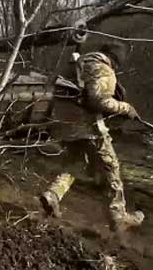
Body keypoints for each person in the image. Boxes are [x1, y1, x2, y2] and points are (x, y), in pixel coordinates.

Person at [40, 42, 145, 232]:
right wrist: (126, 108)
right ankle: (118, 216)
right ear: (115, 60)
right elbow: (98, 101)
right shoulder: (103, 69)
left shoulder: (77, 65)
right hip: (87, 127)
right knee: (110, 167)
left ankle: (53, 195)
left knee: (75, 162)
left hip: (64, 124)